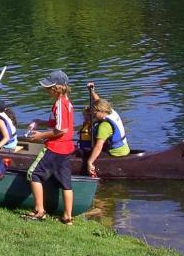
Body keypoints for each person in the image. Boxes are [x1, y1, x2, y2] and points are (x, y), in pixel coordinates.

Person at [22, 69, 75, 224]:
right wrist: (40, 121)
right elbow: (58, 124)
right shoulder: (67, 103)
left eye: (49, 88)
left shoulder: (59, 104)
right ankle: (67, 217)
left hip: (55, 147)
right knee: (66, 183)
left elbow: (60, 130)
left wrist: (40, 136)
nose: (47, 91)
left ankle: (39, 211)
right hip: (66, 149)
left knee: (34, 174)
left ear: (57, 88)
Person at [83, 84, 130, 178]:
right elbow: (98, 101)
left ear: (100, 111)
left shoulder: (104, 126)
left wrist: (89, 162)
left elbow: (98, 146)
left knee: (86, 153)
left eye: (94, 113)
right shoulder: (111, 111)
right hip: (124, 149)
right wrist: (91, 91)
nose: (93, 114)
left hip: (115, 153)